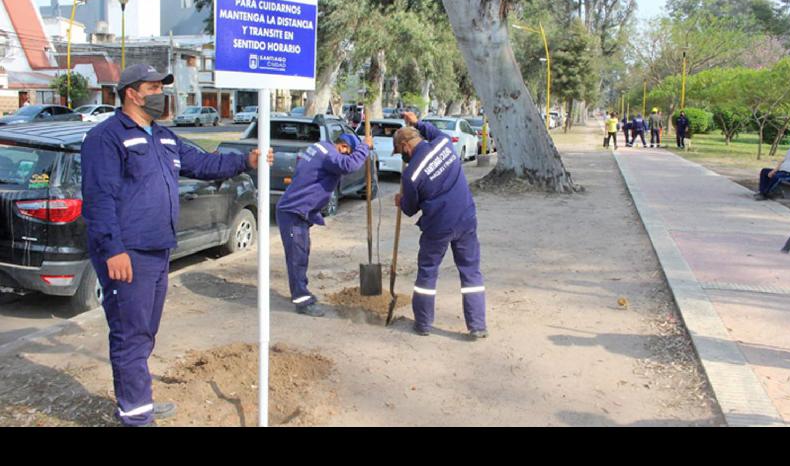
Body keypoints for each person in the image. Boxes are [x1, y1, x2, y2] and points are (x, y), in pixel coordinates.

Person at [81, 64, 269, 427]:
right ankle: (136, 417)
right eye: (153, 87)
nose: (161, 94)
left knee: (145, 332)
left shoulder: (163, 136)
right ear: (131, 93)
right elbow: (99, 199)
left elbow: (203, 163)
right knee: (130, 334)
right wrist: (114, 249)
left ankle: (139, 403)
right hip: (128, 254)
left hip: (158, 250)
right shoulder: (106, 138)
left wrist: (245, 161)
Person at [393, 111, 487, 339]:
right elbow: (431, 131)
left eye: (400, 152)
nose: (401, 156)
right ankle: (478, 326)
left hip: (438, 225)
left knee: (427, 272)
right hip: (466, 217)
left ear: (406, 146)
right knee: (471, 272)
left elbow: (410, 208)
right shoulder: (444, 144)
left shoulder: (411, 175)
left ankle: (423, 324)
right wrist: (417, 122)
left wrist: (401, 201)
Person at [276, 131, 373, 316]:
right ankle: (302, 301)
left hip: (296, 212)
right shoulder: (329, 154)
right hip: (292, 214)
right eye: (348, 152)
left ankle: (298, 290)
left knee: (301, 252)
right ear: (343, 147)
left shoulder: (318, 148)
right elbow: (348, 165)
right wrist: (364, 147)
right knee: (297, 256)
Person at [754, 133, 790, 200]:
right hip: (781, 171)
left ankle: (764, 194)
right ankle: (762, 191)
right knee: (764, 171)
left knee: (776, 177)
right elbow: (782, 162)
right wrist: (774, 171)